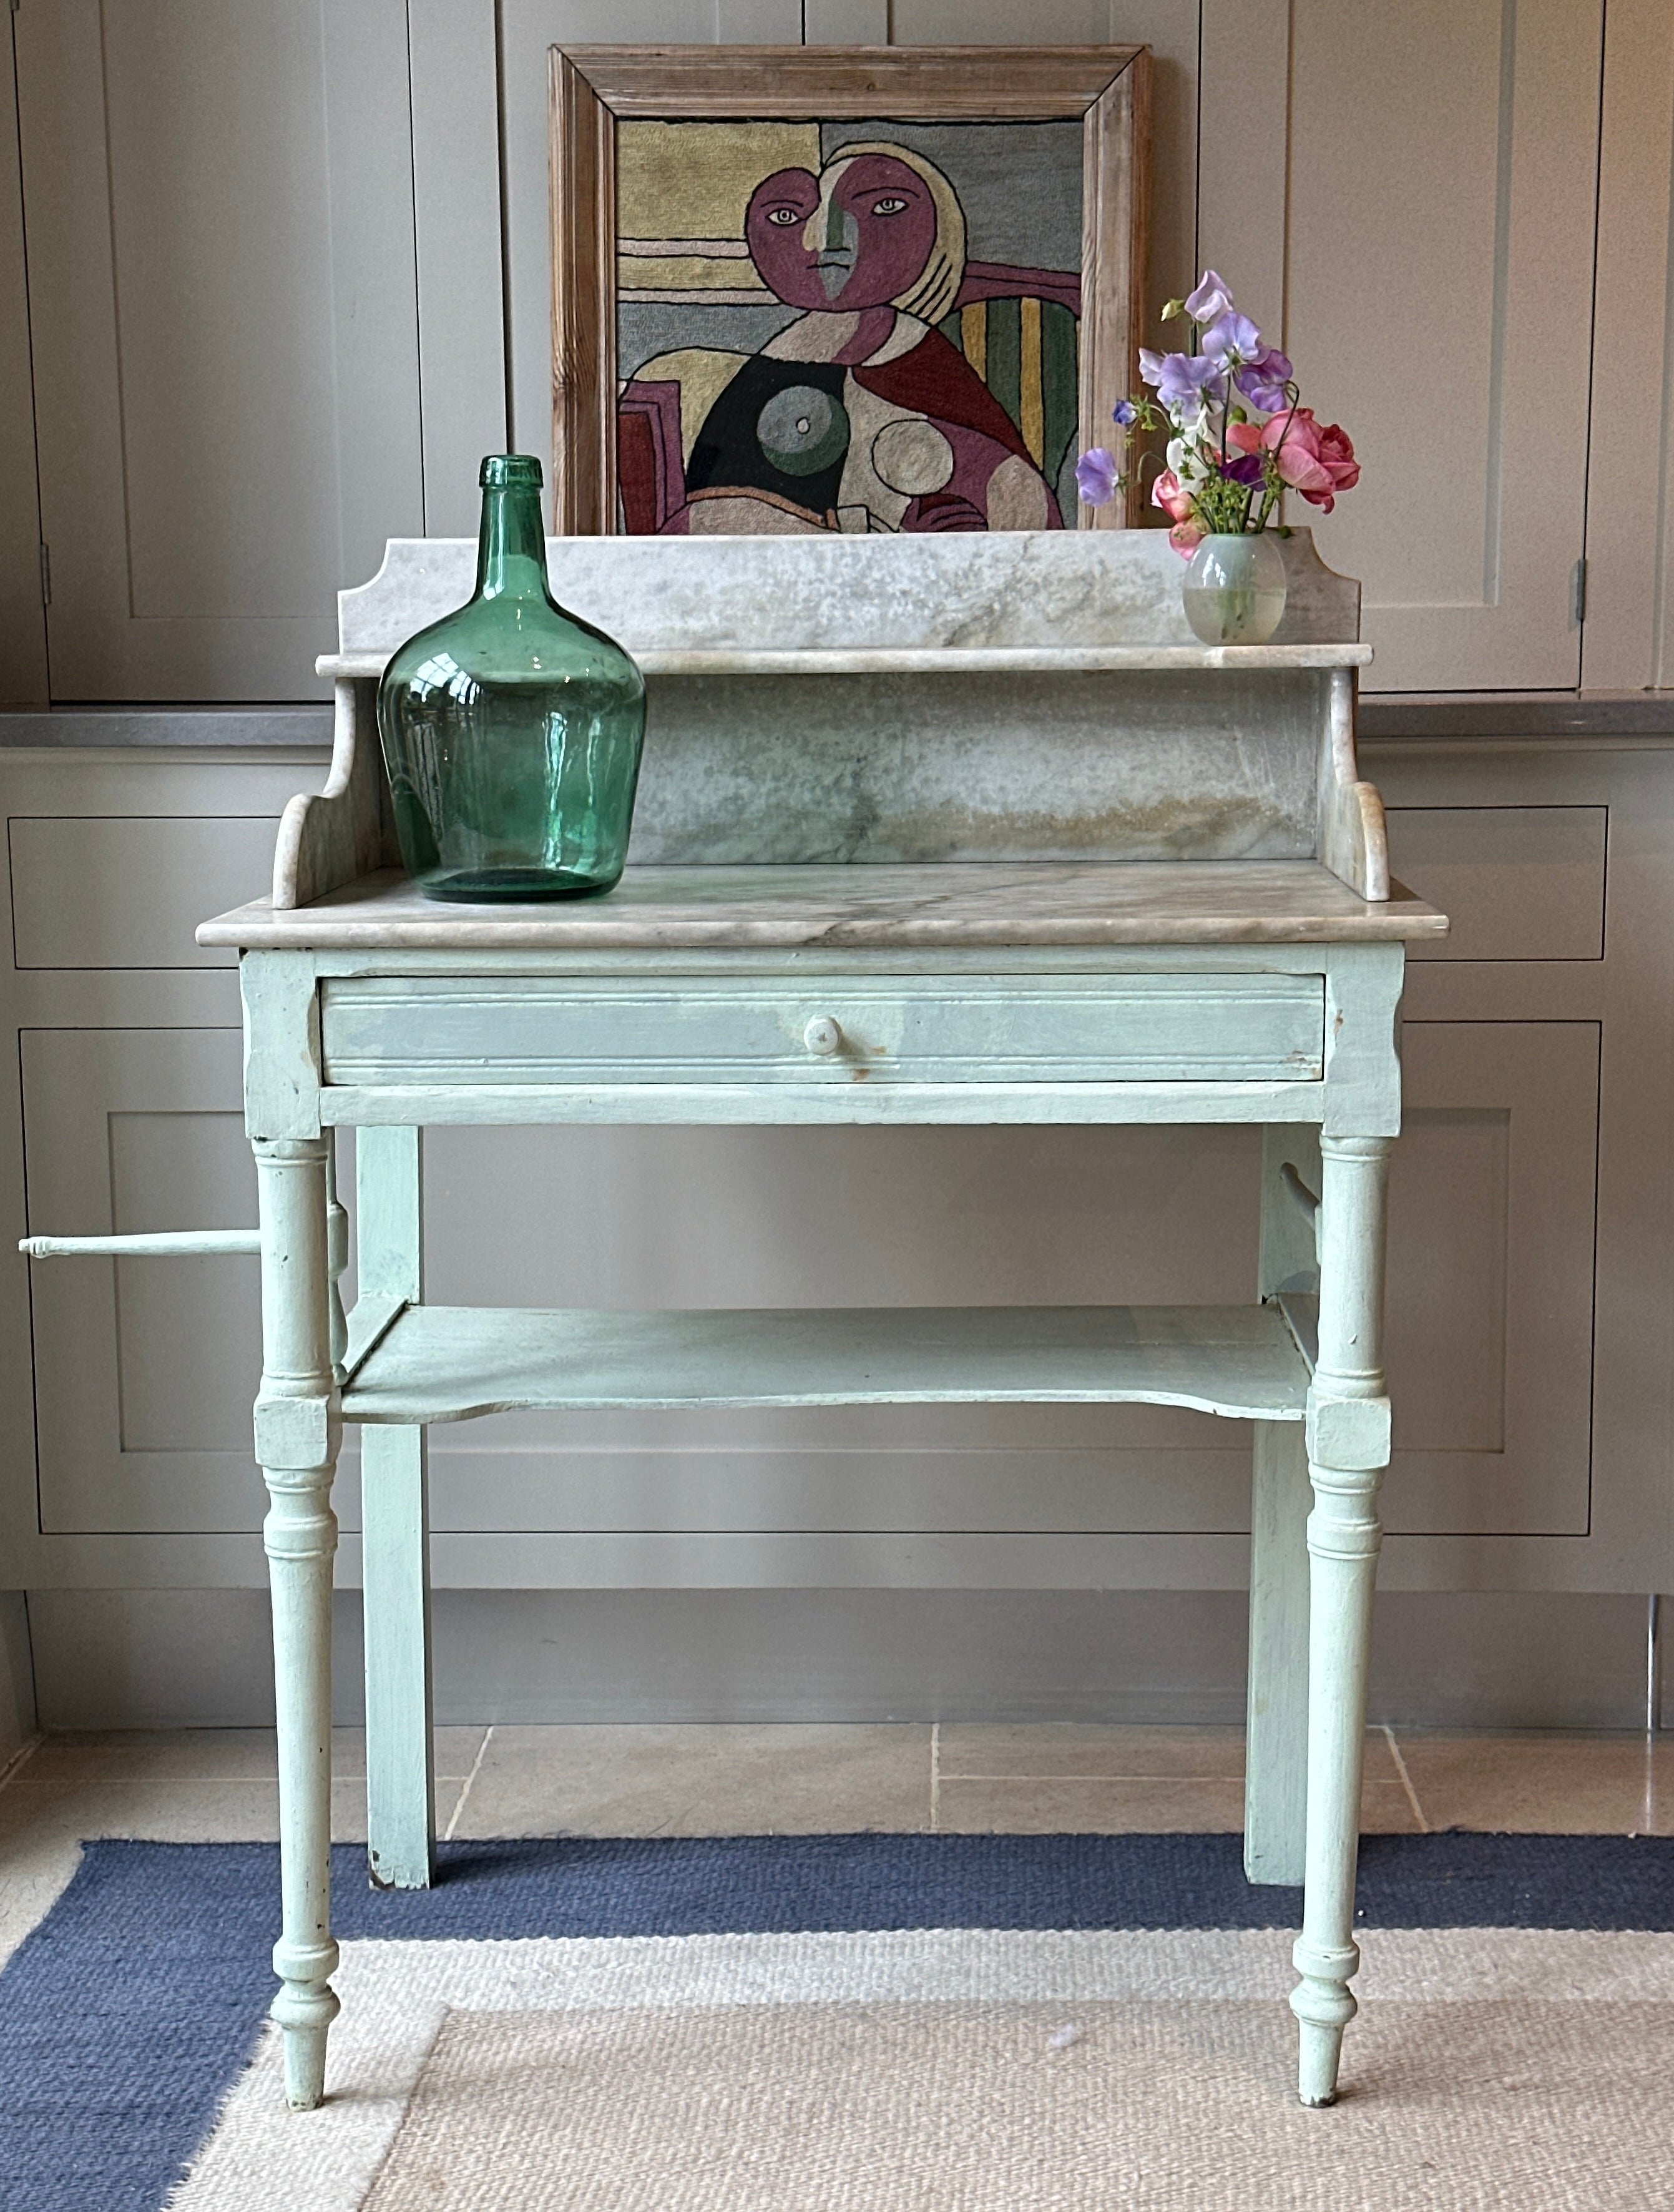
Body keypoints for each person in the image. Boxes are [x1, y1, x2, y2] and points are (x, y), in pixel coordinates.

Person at [619, 142, 1064, 534]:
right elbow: (706, 517)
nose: (827, 242)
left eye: (884, 208)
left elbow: (1016, 494)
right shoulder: (772, 366)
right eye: (788, 217)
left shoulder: (918, 357)